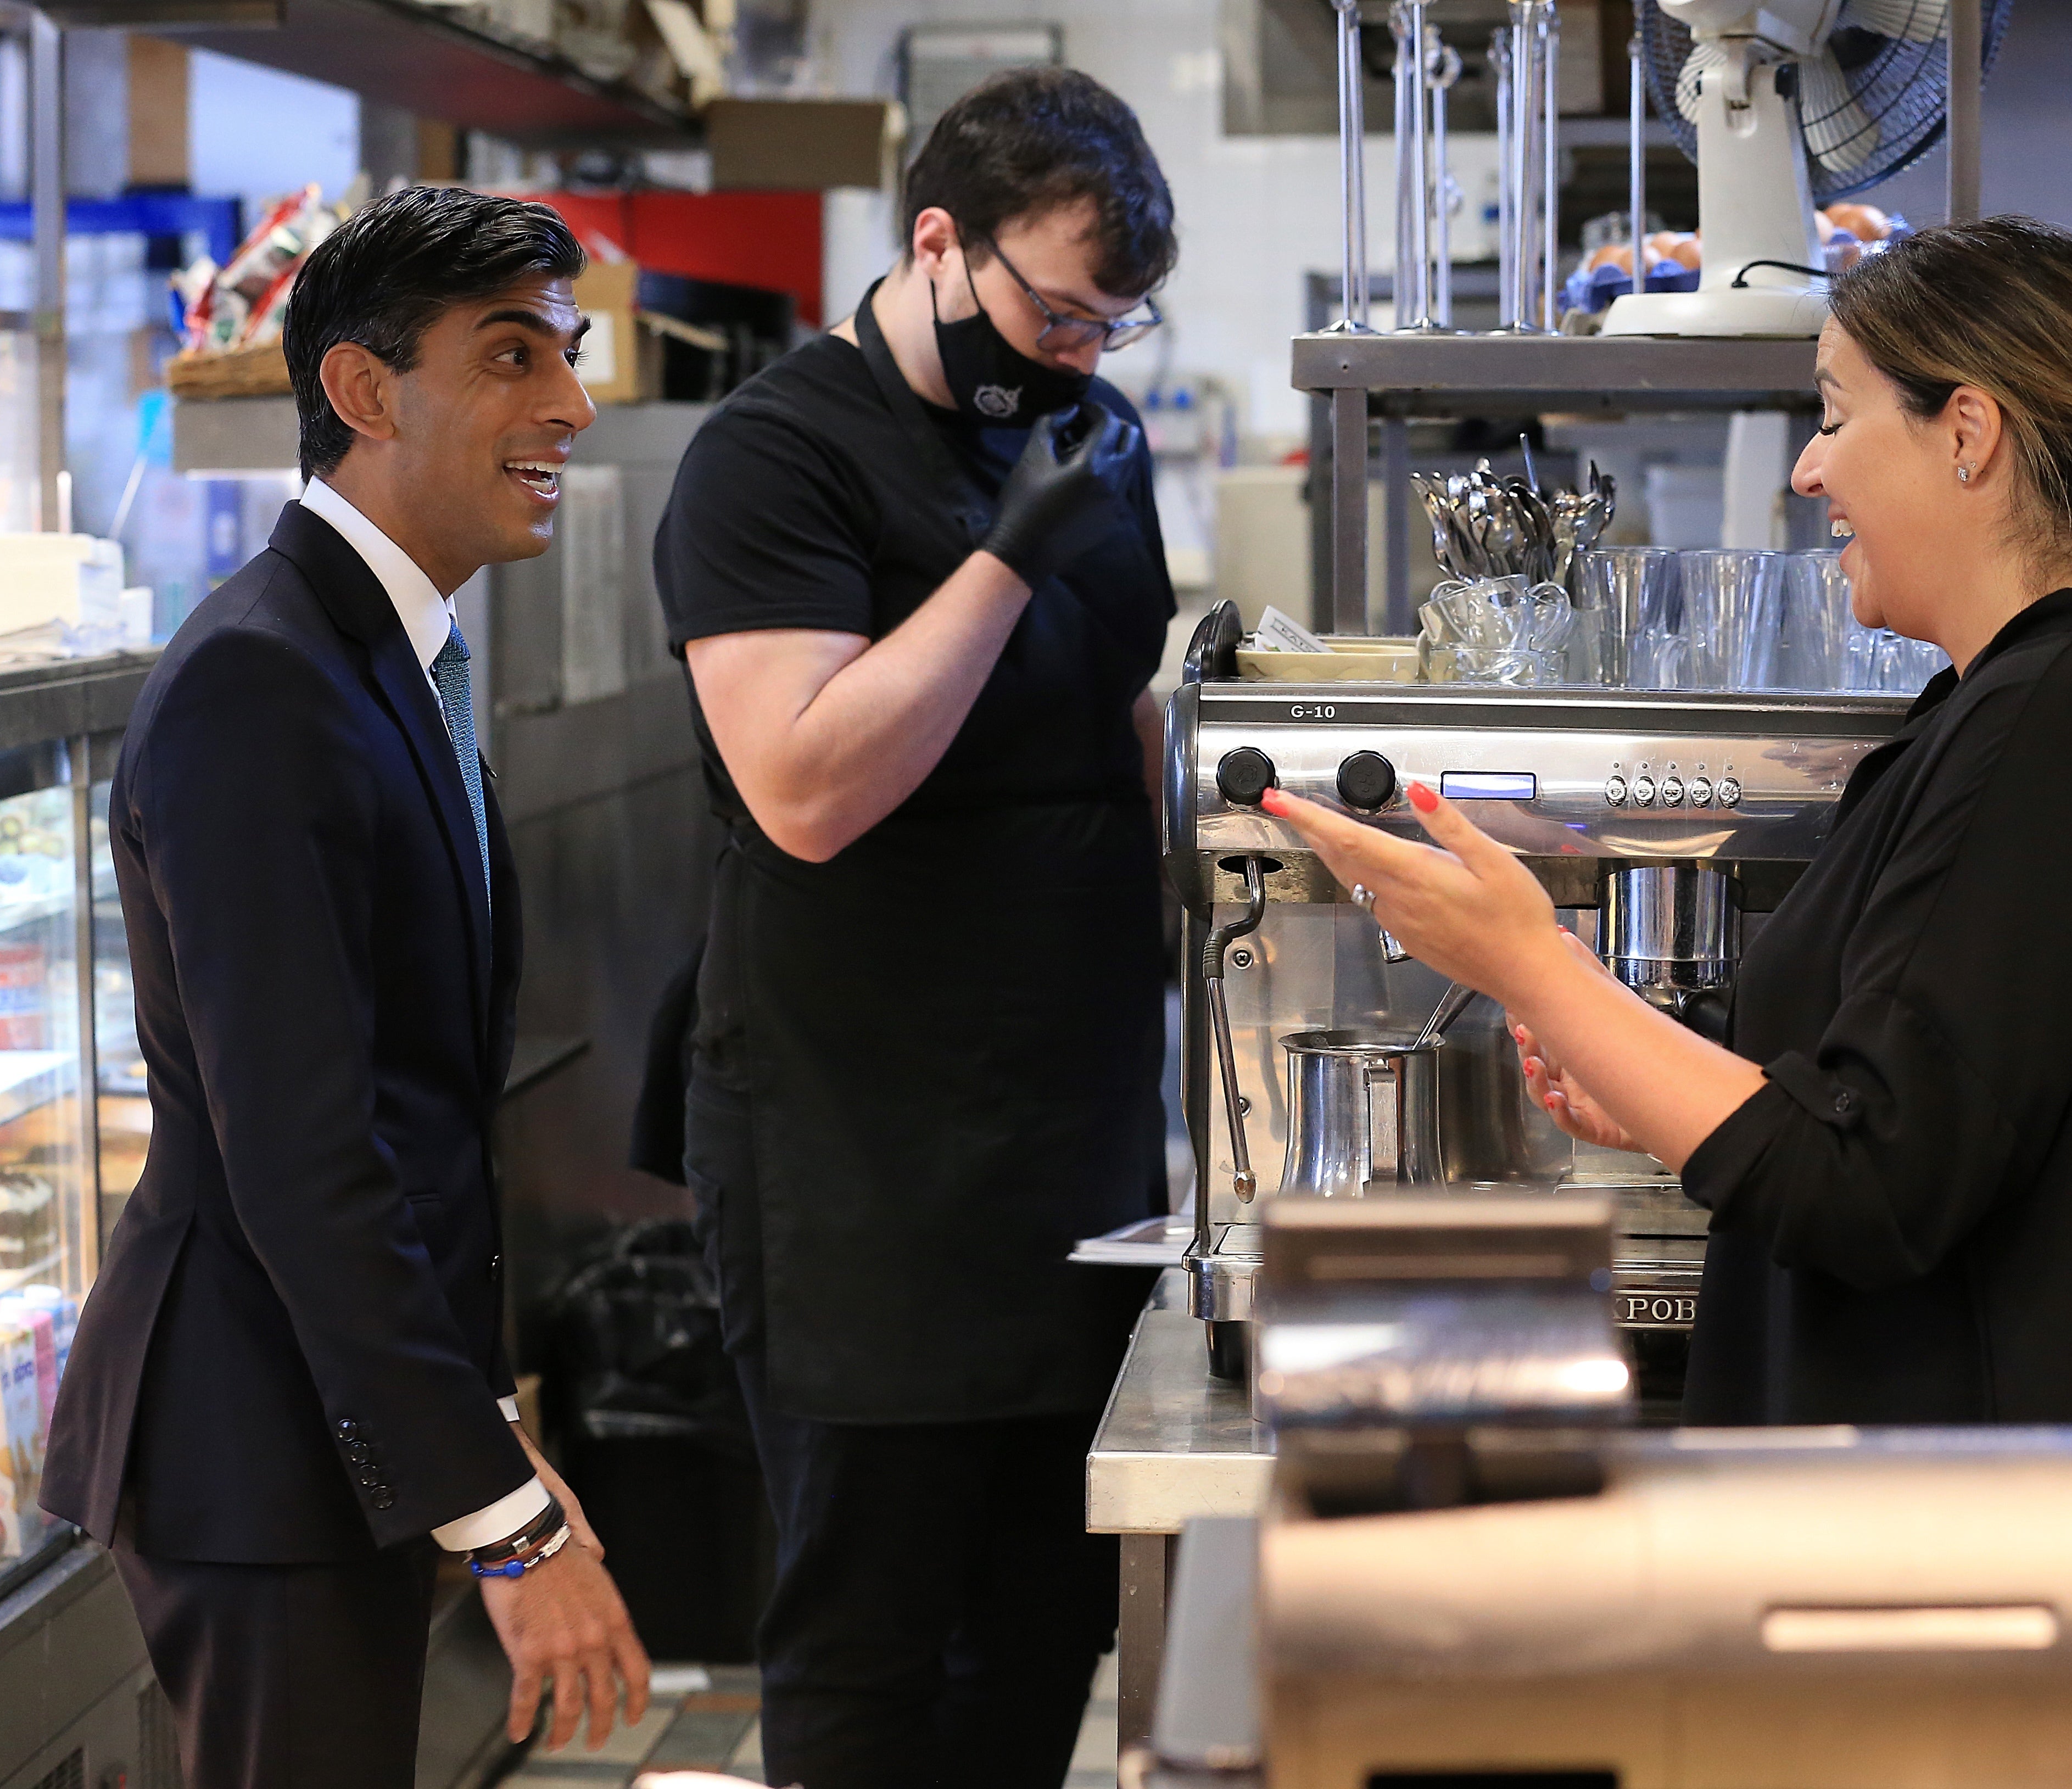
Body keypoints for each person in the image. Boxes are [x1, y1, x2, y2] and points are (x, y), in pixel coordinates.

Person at [1256, 215, 2072, 1697]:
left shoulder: (2054, 732)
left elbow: (1867, 1184)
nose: (1809, 472)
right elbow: (1905, 1113)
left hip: (1978, 1640)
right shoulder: (2005, 720)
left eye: (1830, 412)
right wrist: (1650, 1083)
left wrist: (1535, 966)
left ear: (1969, 435)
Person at [41, 186, 649, 1788]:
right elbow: (309, 1161)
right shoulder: (264, 679)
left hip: (339, 1433)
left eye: (569, 355)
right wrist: (512, 1526)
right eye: (513, 356)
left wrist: (485, 1451)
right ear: (367, 394)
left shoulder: (385, 654)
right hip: (251, 1442)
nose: (571, 405)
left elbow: (406, 1111)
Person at [646, 67, 1177, 1789]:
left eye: (1120, 324)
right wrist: (1009, 556)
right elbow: (804, 784)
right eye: (1060, 311)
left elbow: (1117, 718)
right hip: (859, 1143)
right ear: (939, 244)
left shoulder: (1091, 425)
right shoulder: (774, 456)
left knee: (1048, 1608)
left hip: (1066, 1123)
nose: (1085, 354)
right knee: (874, 1624)